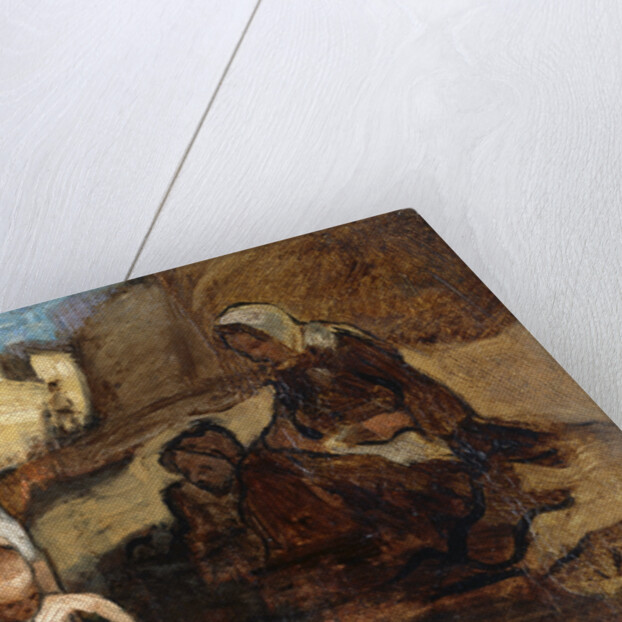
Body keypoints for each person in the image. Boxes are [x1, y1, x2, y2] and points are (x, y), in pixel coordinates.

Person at [162, 303, 570, 611]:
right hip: (338, 444)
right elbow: (286, 422)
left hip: (397, 437)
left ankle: (376, 548)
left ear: (276, 330)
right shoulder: (287, 371)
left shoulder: (340, 348)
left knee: (336, 477)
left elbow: (413, 389)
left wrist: (392, 423)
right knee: (260, 470)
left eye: (257, 344)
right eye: (248, 353)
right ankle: (311, 551)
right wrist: (276, 447)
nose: (257, 355)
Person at [0, 508, 134, 622]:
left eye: (33, 596)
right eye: (11, 606)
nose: (28, 608)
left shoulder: (48, 606)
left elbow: (97, 603)